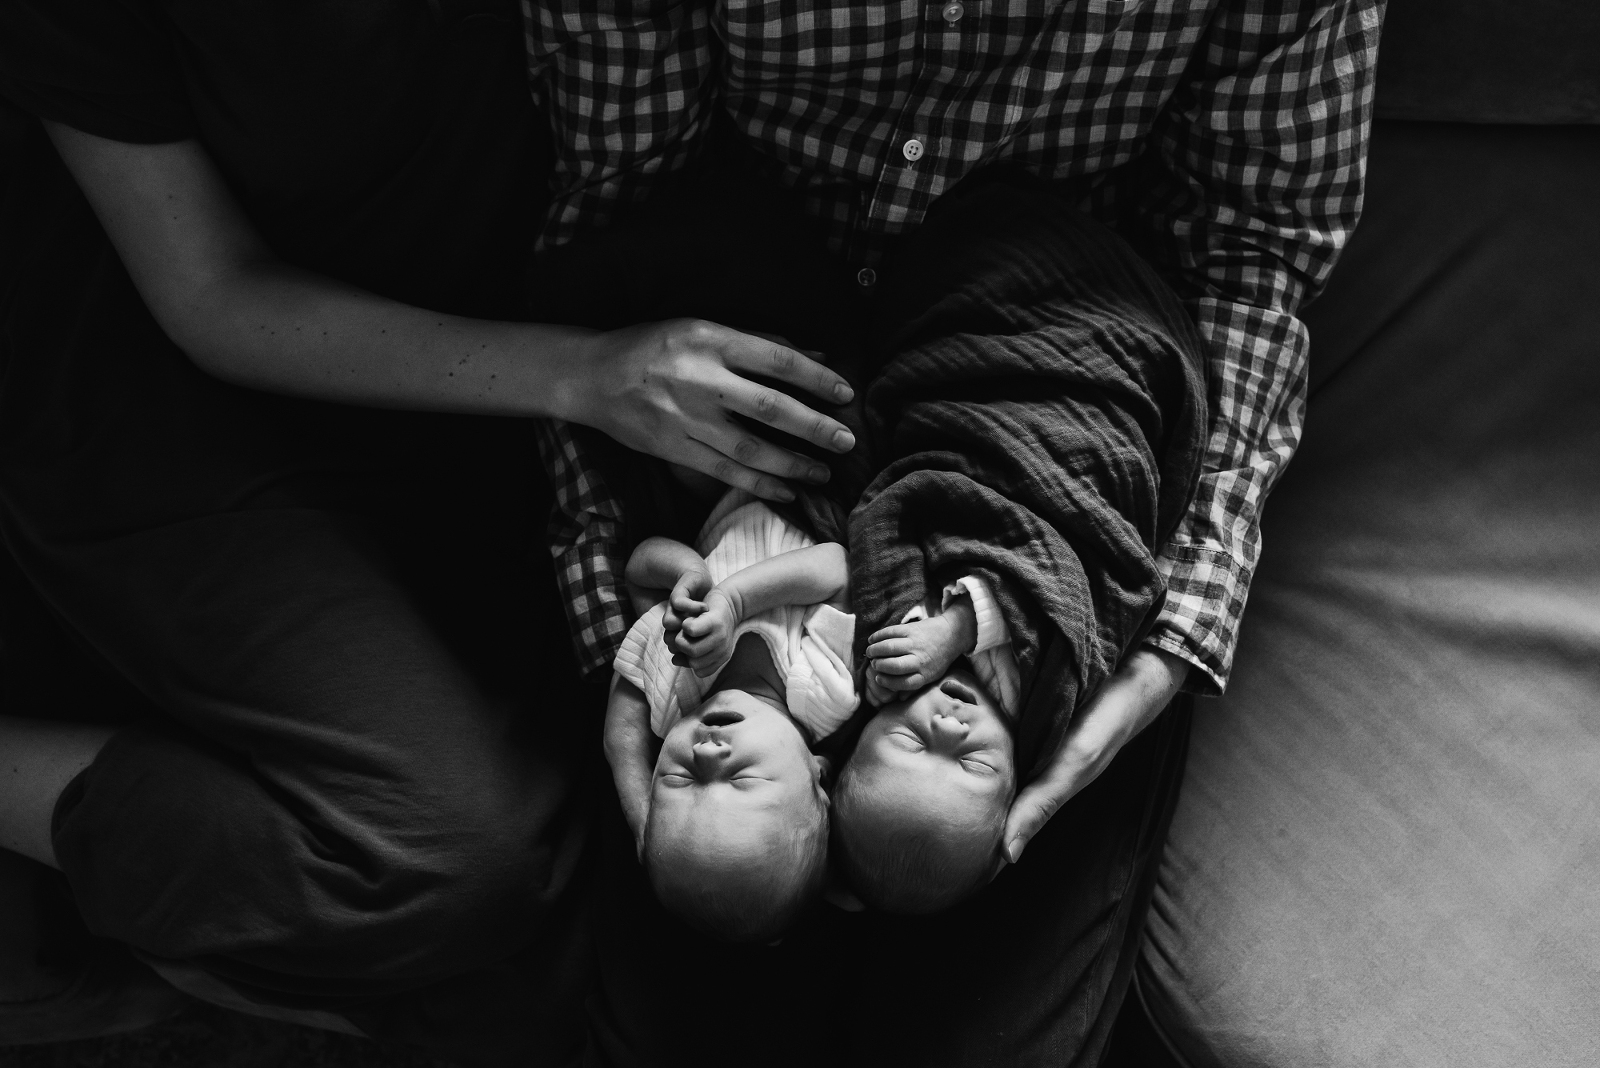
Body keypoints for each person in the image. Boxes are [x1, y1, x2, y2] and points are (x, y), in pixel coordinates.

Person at [528, 0, 1383, 1063]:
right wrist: (614, 603)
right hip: (757, 309)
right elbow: (615, 219)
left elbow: (1249, 248)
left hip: (1032, 341)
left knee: (980, 1015)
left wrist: (1178, 620)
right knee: (694, 981)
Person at [0, 0, 856, 1057]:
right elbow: (210, 294)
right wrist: (582, 375)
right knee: (443, 862)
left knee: (598, 944)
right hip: (204, 388)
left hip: (500, 369)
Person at [605, 490, 857, 943]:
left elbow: (639, 572)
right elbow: (837, 568)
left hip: (718, 489)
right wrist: (734, 602)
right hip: (811, 497)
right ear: (819, 775)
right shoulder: (827, 692)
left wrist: (688, 572)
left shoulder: (674, 685)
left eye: (679, 777)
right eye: (742, 777)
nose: (707, 750)